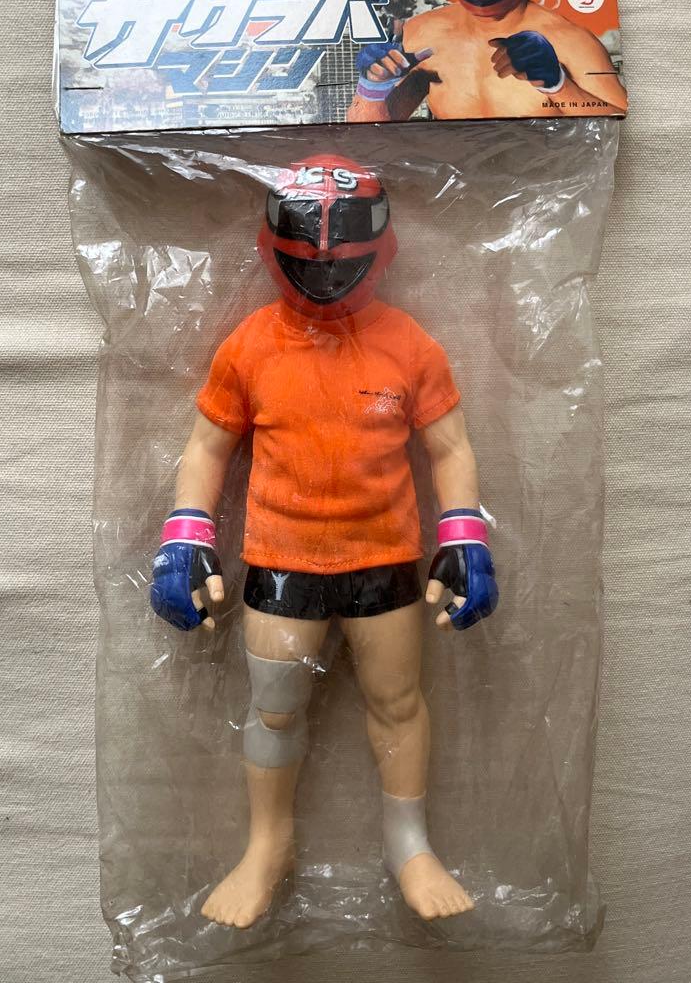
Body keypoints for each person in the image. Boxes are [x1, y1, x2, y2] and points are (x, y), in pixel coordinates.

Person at [150, 154, 499, 928]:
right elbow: (207, 447)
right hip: (281, 565)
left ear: (382, 249)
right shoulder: (250, 345)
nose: (327, 274)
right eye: (309, 260)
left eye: (344, 261)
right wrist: (185, 535)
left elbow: (450, 448)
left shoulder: (409, 344)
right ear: (274, 249)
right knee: (274, 710)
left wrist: (464, 534)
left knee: (398, 703)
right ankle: (267, 846)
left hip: (387, 565)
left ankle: (409, 844)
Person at [348, 0, 627, 121]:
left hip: (550, 181)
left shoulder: (570, 40)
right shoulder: (423, 32)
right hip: (451, 180)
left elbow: (615, 126)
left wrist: (559, 85)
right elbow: (371, 132)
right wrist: (372, 87)